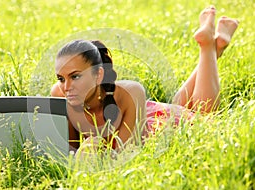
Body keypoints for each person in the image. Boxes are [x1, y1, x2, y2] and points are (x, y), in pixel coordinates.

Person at [51, 6, 239, 155]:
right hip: (151, 115)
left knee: (204, 115)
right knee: (178, 104)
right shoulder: (62, 93)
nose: (66, 86)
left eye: (75, 76)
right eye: (61, 78)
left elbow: (128, 155)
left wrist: (94, 154)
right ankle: (215, 49)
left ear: (98, 75)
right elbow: (66, 153)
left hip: (156, 129)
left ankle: (207, 47)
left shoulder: (129, 92)